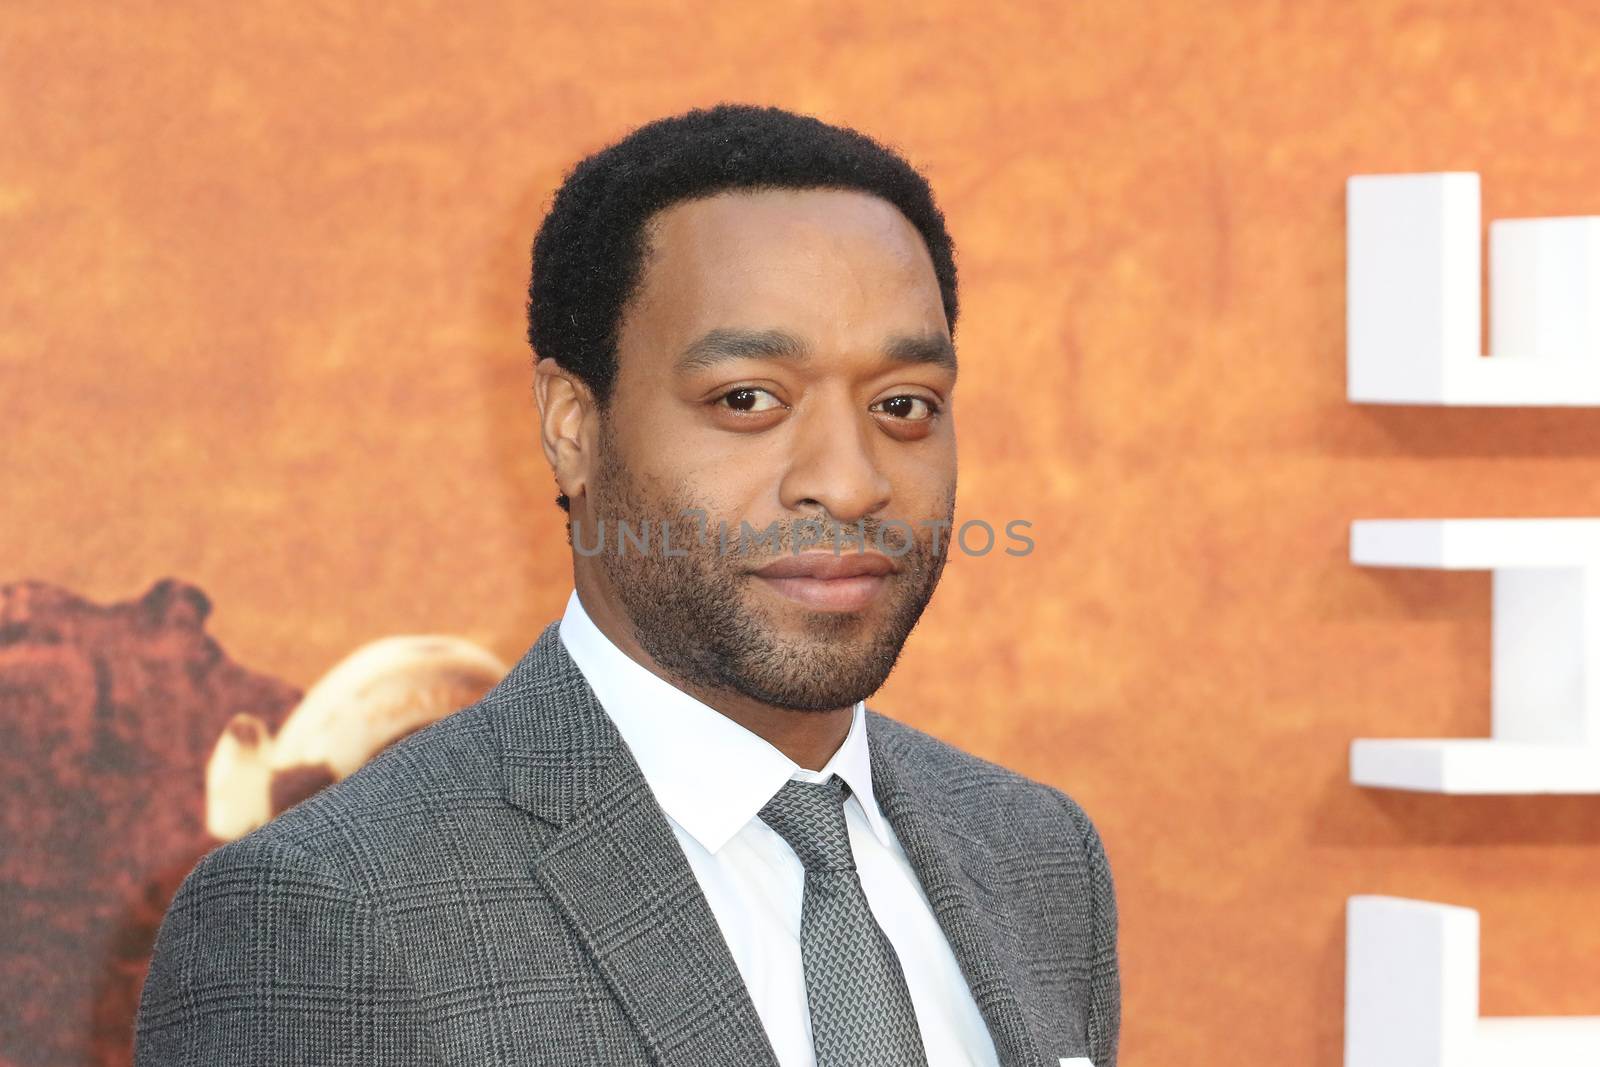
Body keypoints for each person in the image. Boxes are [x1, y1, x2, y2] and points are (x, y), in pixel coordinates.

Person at [134, 104, 1120, 1067]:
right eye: (747, 400)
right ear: (572, 425)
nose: (850, 479)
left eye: (904, 404)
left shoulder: (1036, 856)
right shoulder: (331, 910)